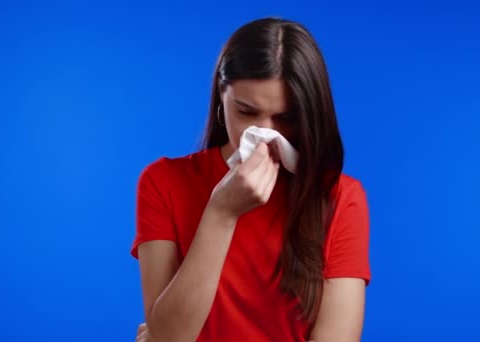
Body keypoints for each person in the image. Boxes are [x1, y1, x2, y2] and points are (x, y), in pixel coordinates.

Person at [131, 17, 371, 342]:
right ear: (221, 96)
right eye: (246, 112)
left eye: (286, 118)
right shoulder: (163, 183)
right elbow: (171, 337)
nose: (265, 134)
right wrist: (221, 213)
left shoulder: (340, 197)